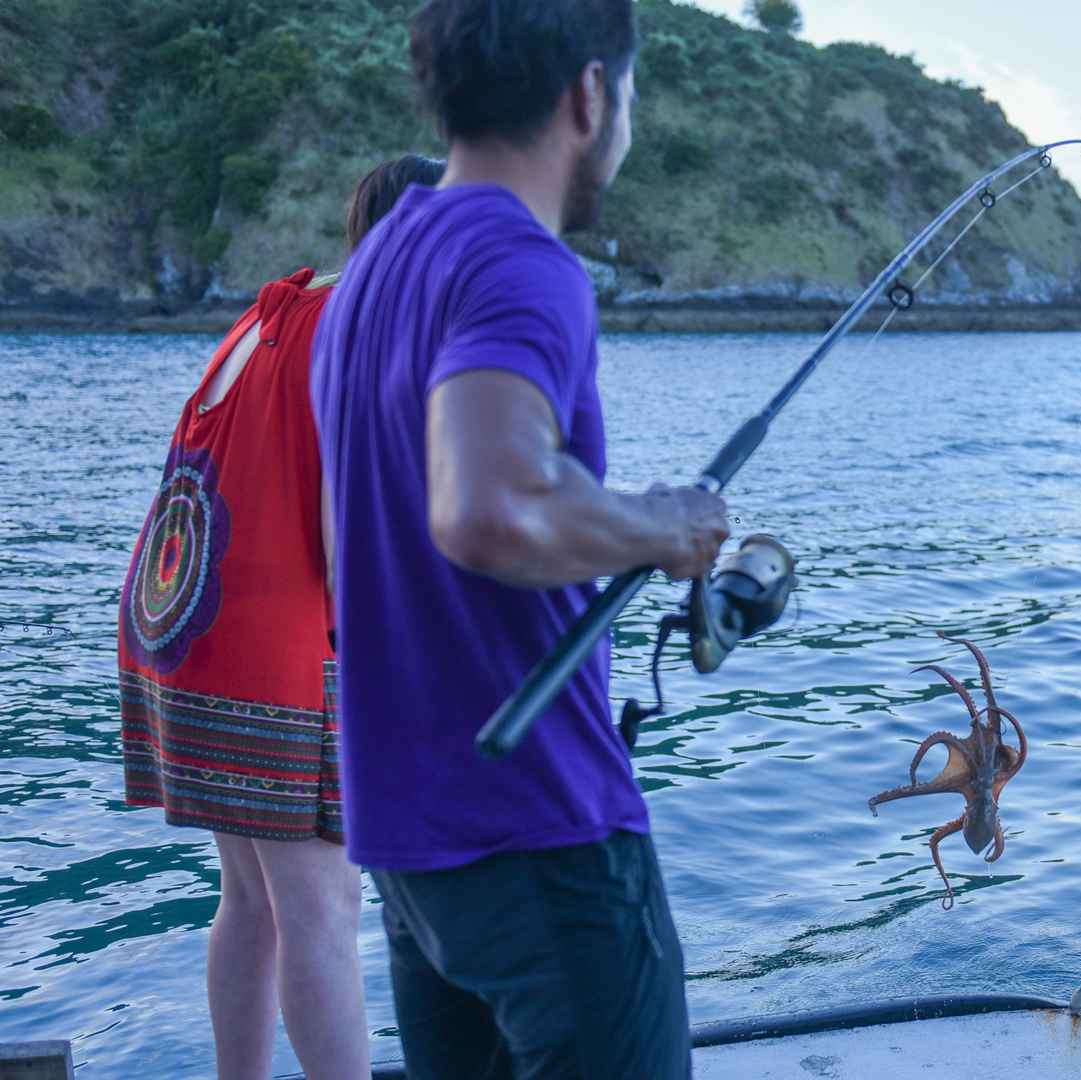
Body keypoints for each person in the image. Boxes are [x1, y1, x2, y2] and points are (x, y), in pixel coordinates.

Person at [308, 1, 729, 1076]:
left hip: (412, 850)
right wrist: (664, 527)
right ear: (591, 96)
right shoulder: (521, 262)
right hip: (538, 833)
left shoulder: (371, 274)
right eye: (625, 98)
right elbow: (489, 506)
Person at [118, 154, 446, 1080]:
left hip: (180, 626)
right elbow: (352, 538)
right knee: (323, 910)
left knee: (253, 902)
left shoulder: (274, 314)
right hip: (266, 646)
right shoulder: (362, 332)